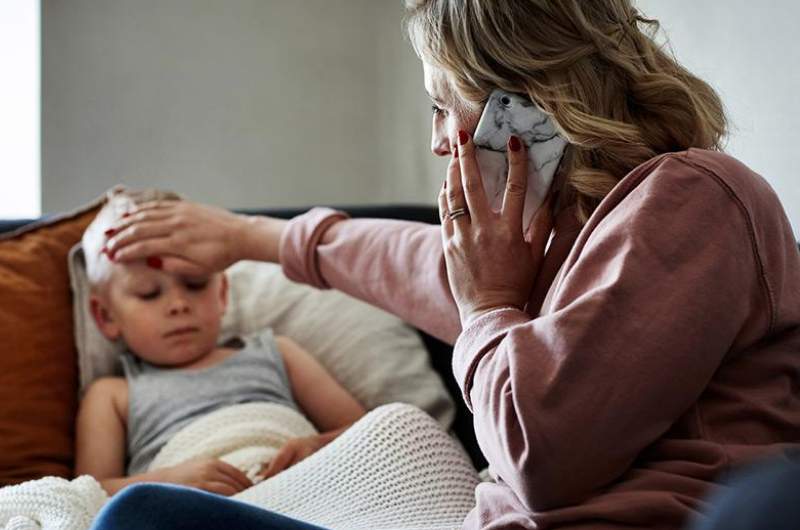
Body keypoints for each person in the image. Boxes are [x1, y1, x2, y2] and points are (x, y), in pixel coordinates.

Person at [91, 0, 800, 529]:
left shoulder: (693, 198)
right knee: (144, 515)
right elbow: (418, 266)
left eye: (440, 104)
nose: (437, 141)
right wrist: (253, 238)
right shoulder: (561, 234)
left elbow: (541, 458)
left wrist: (490, 305)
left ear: (525, 102)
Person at [76, 195, 366, 497]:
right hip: (194, 511)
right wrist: (167, 482)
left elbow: (371, 431)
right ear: (106, 316)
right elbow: (86, 495)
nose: (178, 304)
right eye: (149, 294)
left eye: (195, 284)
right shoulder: (112, 395)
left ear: (223, 293)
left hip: (304, 492)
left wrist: (318, 448)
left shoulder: (277, 352)